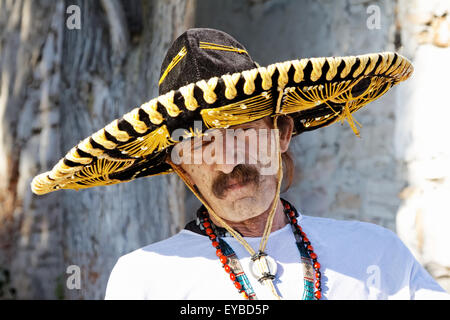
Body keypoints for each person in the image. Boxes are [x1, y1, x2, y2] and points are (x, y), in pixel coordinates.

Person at [31, 28, 448, 300]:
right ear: (180, 166)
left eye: (242, 133)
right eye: (200, 146)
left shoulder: (375, 254)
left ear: (282, 133)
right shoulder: (144, 278)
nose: (227, 161)